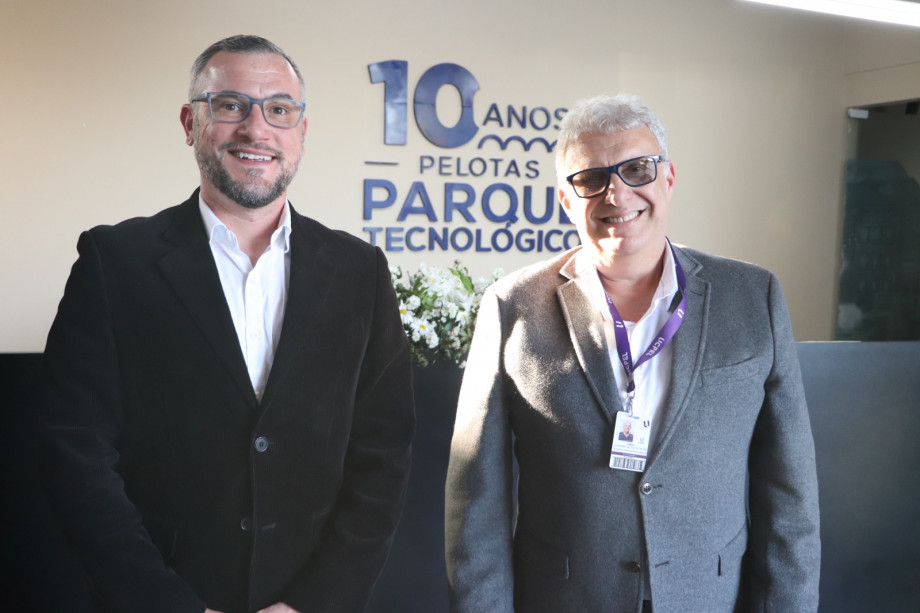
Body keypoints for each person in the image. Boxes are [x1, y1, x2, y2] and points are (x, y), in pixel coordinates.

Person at [41, 35, 414, 613]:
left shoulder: (358, 271)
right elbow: (76, 454)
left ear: (302, 131)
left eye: (279, 109)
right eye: (231, 105)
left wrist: (315, 603)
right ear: (190, 123)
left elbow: (383, 454)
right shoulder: (114, 263)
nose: (256, 129)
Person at [444, 93, 820, 612]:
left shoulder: (754, 297)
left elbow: (790, 495)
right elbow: (475, 501)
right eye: (591, 179)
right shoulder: (512, 306)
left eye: (637, 169)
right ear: (566, 199)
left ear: (668, 178)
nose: (616, 194)